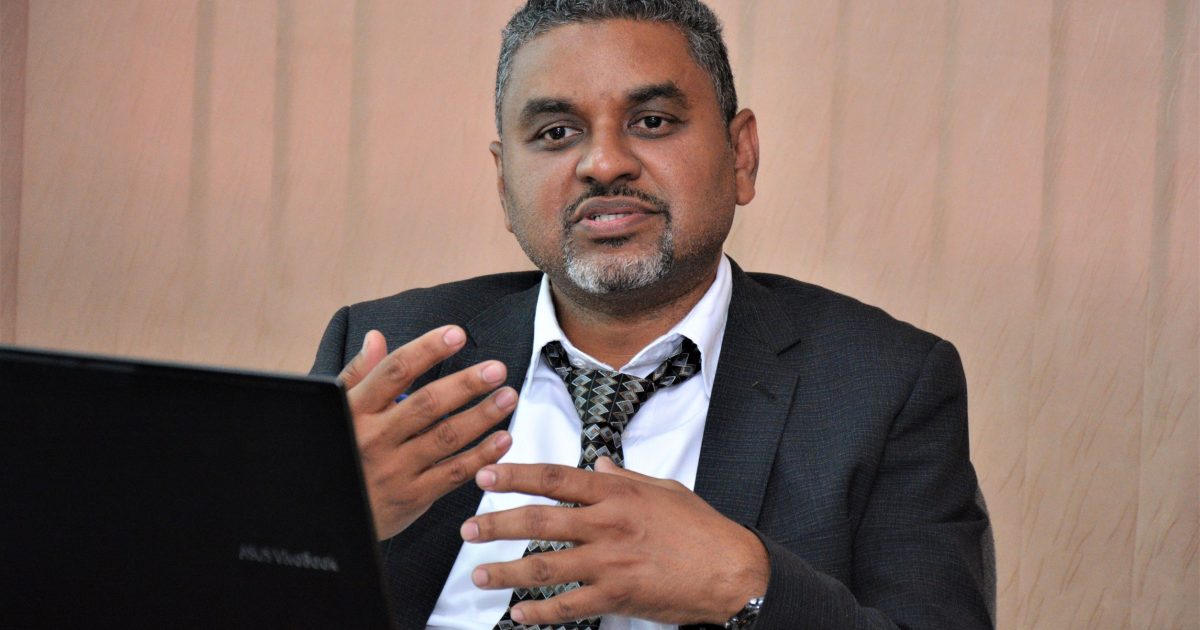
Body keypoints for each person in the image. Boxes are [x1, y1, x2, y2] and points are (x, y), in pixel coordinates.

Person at [311, 1, 994, 628]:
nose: (604, 163)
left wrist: (745, 583)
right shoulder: (391, 357)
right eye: (556, 132)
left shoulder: (882, 384)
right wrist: (309, 530)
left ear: (741, 155)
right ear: (503, 182)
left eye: (652, 122)